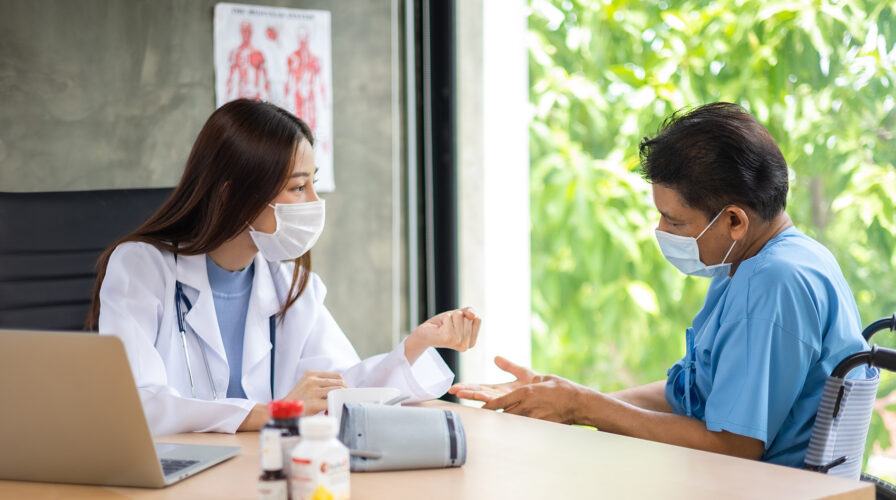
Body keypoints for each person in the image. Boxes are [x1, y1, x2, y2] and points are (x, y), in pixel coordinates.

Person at [449, 102, 873, 467]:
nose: (661, 229)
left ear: (733, 220)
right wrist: (565, 398)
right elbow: (689, 395)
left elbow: (733, 448)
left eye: (674, 220)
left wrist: (583, 405)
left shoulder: (774, 284)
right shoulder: (759, 262)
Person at [87, 99, 481, 436]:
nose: (314, 200)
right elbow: (135, 402)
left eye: (313, 183)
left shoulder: (291, 283)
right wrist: (270, 412)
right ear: (233, 195)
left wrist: (416, 345)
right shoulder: (142, 268)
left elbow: (340, 389)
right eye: (298, 187)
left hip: (263, 472)